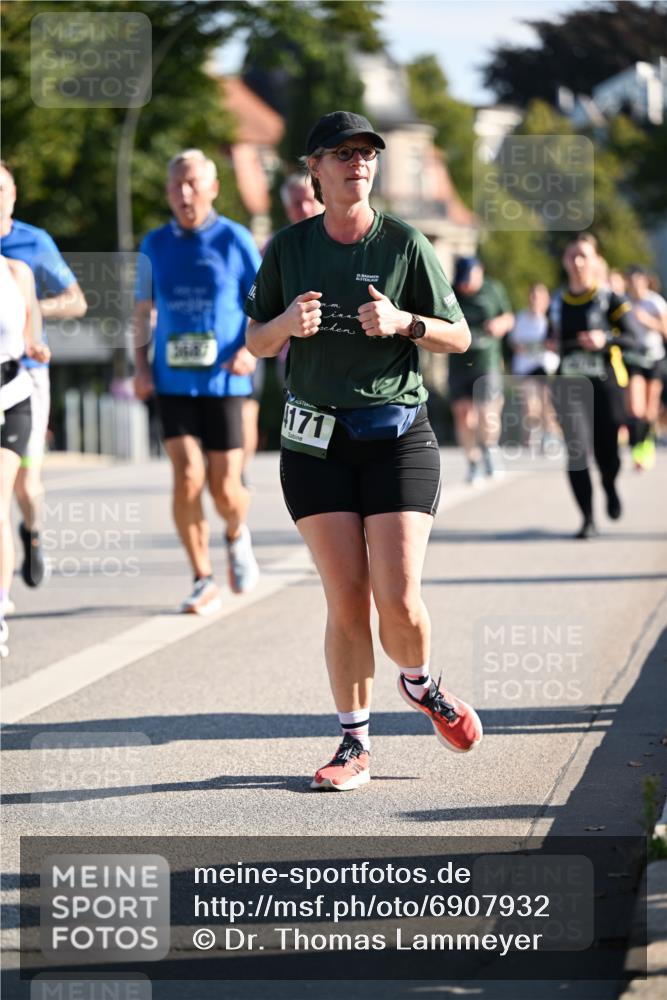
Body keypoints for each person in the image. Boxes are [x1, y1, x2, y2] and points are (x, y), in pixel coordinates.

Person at [245, 110, 482, 791]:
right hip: (313, 441)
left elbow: (458, 337)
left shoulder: (404, 243)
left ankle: (421, 684)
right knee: (346, 599)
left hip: (395, 436)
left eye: (366, 153)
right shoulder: (289, 249)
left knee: (399, 601)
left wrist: (405, 323)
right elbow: (255, 341)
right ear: (313, 168)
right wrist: (286, 325)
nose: (357, 162)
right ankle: (353, 745)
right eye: (341, 153)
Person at [133, 149, 262, 614]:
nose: (184, 194)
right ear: (167, 192)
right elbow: (142, 312)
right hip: (172, 381)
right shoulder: (154, 243)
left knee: (225, 488)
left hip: (225, 379)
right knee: (186, 475)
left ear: (212, 188)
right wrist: (141, 366)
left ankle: (235, 533)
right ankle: (202, 576)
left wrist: (250, 350)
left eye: (192, 184)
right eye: (175, 186)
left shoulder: (234, 239)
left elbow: (264, 302)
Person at [0, 160, 87, 589]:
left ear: (14, 195)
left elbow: (76, 301)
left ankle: (32, 533)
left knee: (24, 483)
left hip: (25, 375)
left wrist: (32, 307)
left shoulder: (33, 243)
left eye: (1, 189)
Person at [548, 233, 640, 539]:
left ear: (595, 261)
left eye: (583, 255)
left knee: (607, 452)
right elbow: (551, 338)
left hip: (605, 385)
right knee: (576, 452)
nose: (576, 262)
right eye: (571, 255)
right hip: (569, 386)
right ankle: (587, 518)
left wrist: (605, 340)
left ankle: (610, 485)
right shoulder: (557, 303)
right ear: (564, 261)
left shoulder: (610, 299)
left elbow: (633, 337)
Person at [244, 174, 325, 465]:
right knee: (311, 452)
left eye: (308, 200)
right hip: (292, 359)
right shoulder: (275, 247)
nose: (303, 208)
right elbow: (257, 307)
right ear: (286, 208)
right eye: (295, 203)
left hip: (344, 353)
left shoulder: (339, 238)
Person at [1, 254, 50, 656]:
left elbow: (32, 339)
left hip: (12, 395)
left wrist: (37, 347)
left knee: (15, 493)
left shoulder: (18, 273)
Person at [447, 257, 514, 483]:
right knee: (464, 416)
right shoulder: (450, 291)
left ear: (480, 272)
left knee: (488, 413)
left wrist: (499, 325)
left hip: (487, 363)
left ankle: (490, 449)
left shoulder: (493, 290)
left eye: (469, 280)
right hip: (459, 364)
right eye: (462, 281)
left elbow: (508, 317)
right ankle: (473, 461)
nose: (465, 286)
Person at [623, 266, 667, 471]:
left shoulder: (655, 302)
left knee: (650, 410)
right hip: (634, 358)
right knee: (635, 407)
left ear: (646, 281)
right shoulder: (625, 303)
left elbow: (665, 330)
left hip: (655, 357)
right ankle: (636, 447)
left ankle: (645, 446)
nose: (634, 284)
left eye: (637, 280)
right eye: (630, 280)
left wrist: (648, 321)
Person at [508, 283, 560, 450]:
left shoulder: (552, 319)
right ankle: (533, 431)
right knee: (530, 404)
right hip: (526, 367)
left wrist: (549, 345)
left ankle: (550, 435)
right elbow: (514, 343)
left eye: (539, 297)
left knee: (547, 403)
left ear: (547, 299)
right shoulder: (521, 318)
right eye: (533, 296)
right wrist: (527, 347)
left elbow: (557, 343)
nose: (535, 300)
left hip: (547, 366)